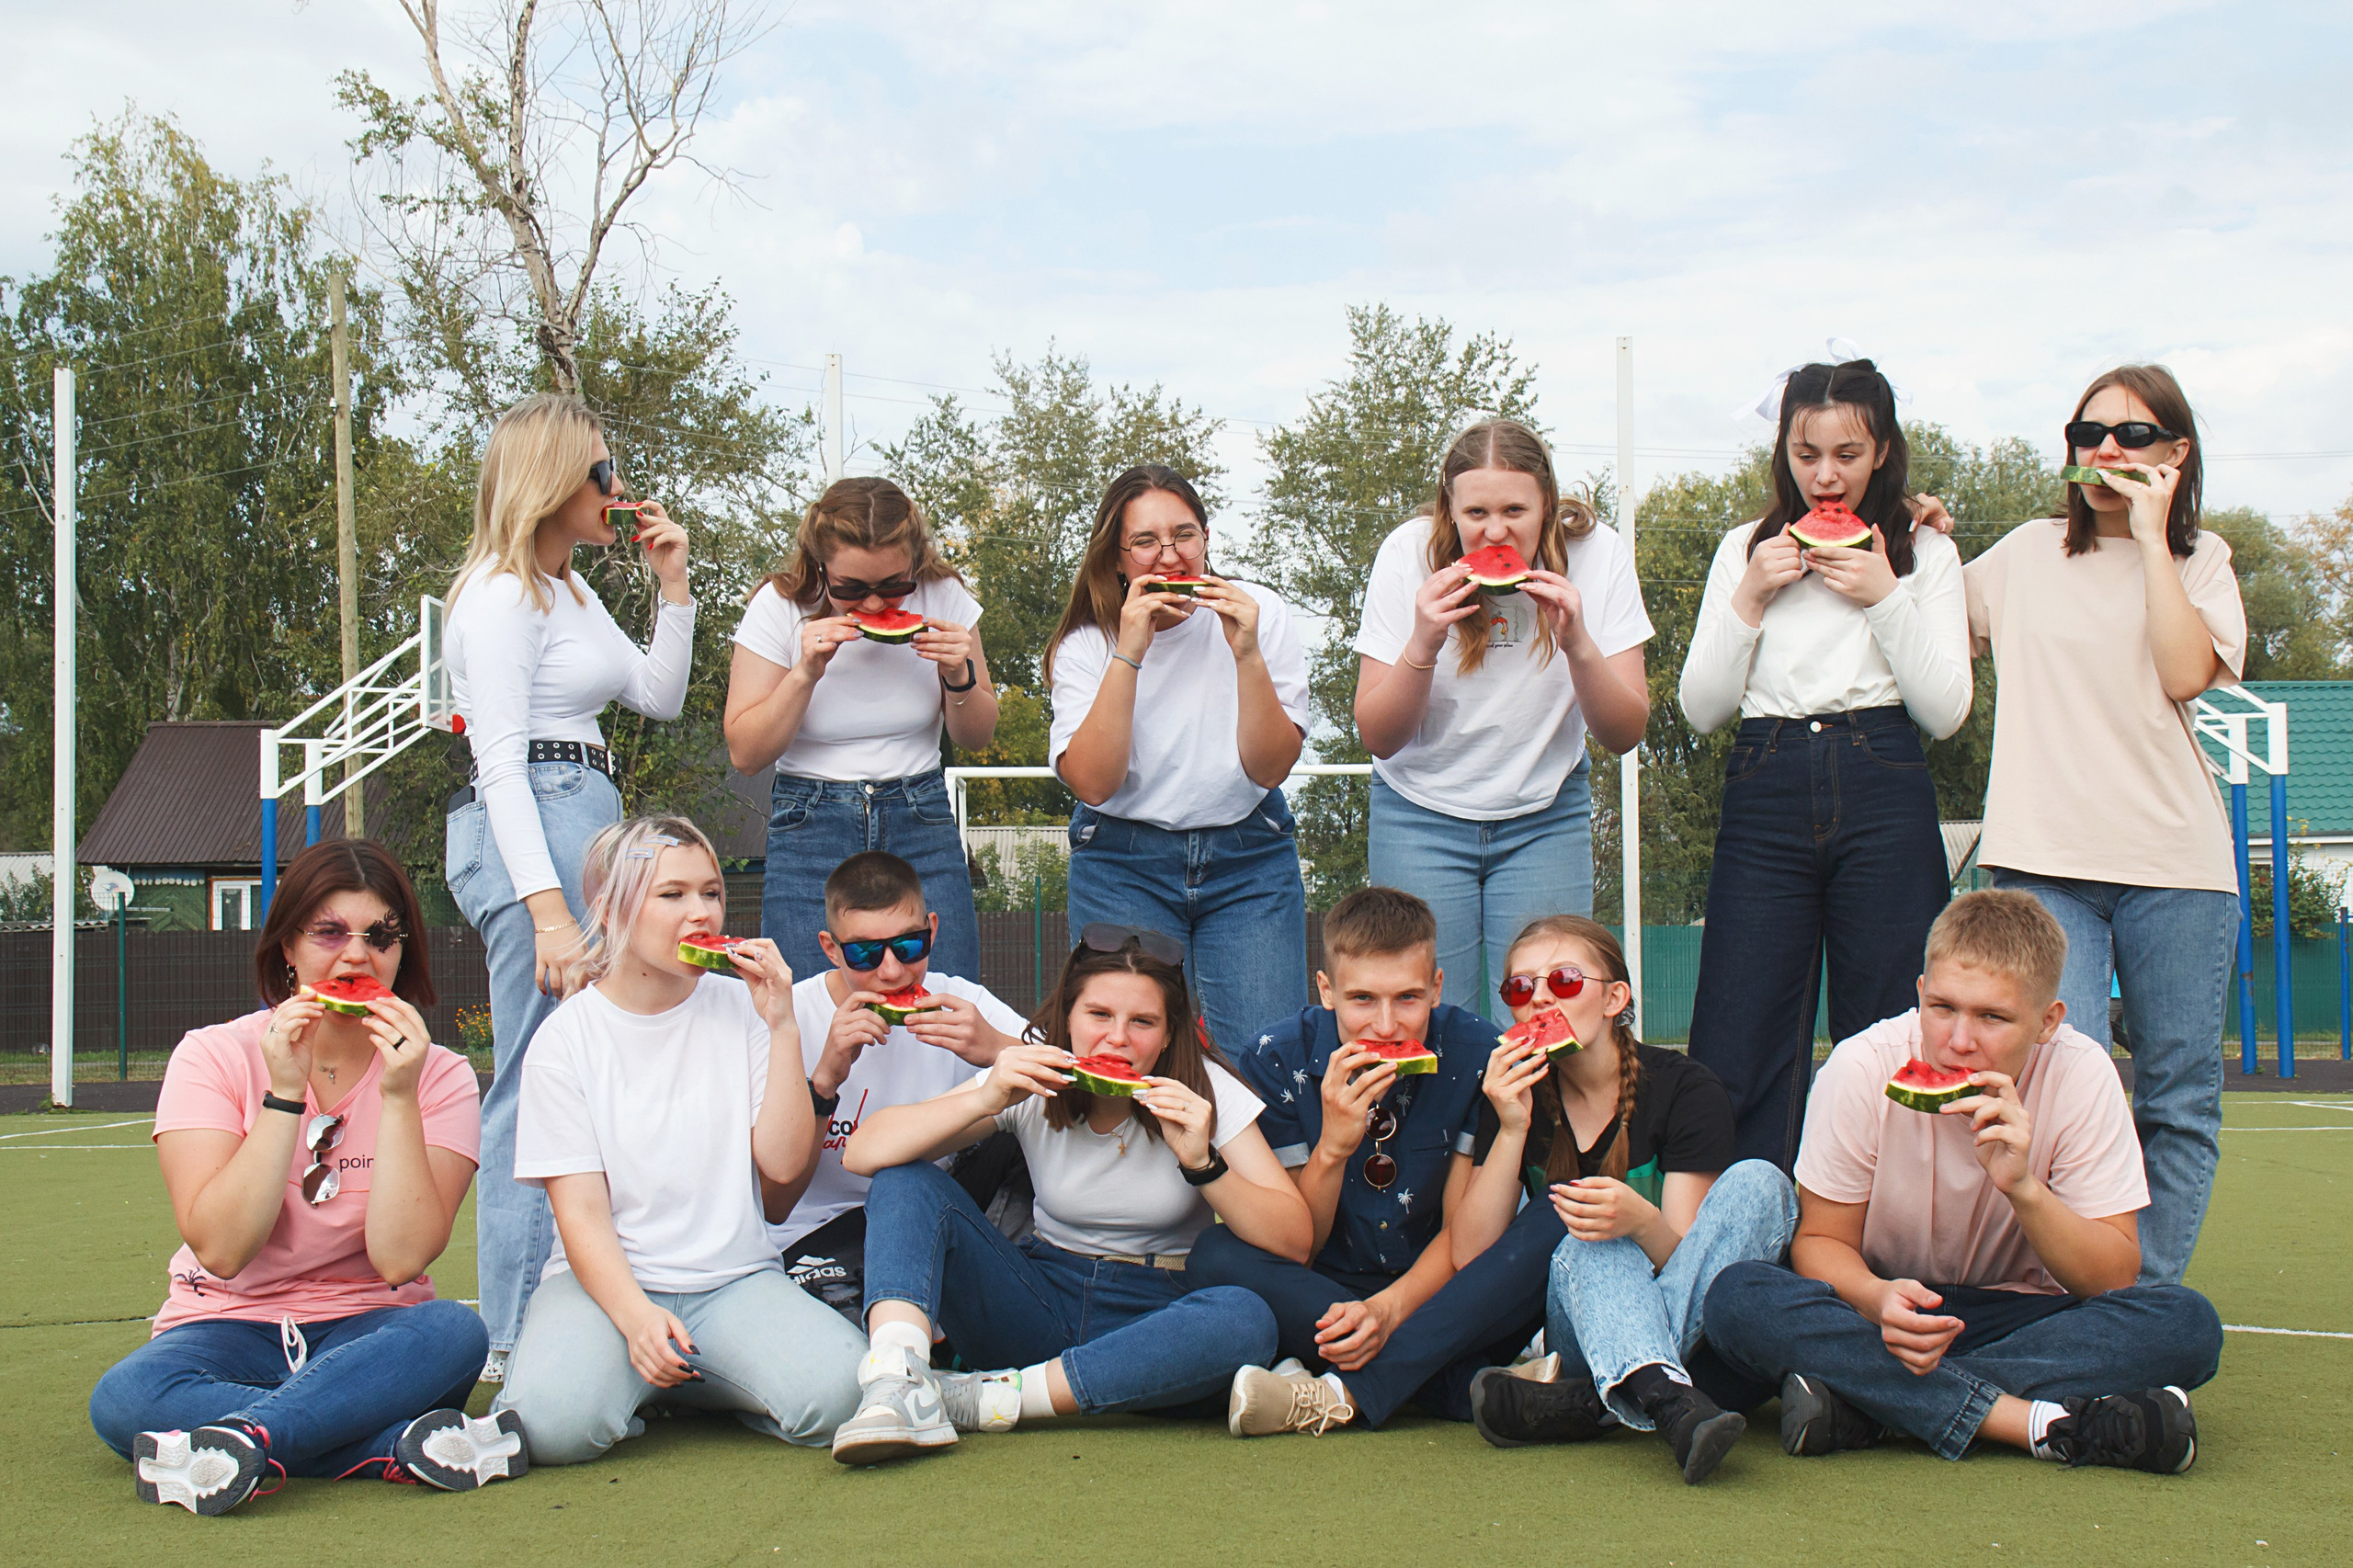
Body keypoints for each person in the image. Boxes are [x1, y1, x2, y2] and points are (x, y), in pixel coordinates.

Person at [1703, 891, 2224, 1472]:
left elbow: (2112, 1277)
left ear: (2048, 1021)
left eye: (1992, 1017)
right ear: (1920, 992)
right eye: (1942, 1007)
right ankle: (2037, 1423)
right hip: (1883, 1313)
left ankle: (1868, 1405)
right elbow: (1822, 1240)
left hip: (2023, 1318)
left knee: (2188, 1324)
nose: (1958, 1041)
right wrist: (1876, 1298)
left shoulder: (2082, 1073)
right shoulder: (1861, 1065)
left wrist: (2023, 1188)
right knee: (1738, 1296)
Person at [89, 841, 513, 1515]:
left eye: (380, 936)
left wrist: (398, 1096)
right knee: (124, 1398)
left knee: (455, 1335)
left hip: (370, 1331)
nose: (357, 956)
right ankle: (381, 1443)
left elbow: (400, 1259)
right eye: (330, 933)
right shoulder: (211, 1056)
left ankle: (246, 1439)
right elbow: (222, 1249)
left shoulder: (441, 1076)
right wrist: (284, 1094)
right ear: (287, 945)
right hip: (227, 1324)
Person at [1963, 365, 2245, 1287]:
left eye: (2132, 435)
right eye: (2089, 434)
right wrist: (1918, 533)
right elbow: (1920, 625)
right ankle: (2062, 1289)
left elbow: (2183, 672)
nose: (2107, 450)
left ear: (2176, 451)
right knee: (2051, 1091)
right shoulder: (2021, 553)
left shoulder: (2202, 559)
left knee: (2177, 1097)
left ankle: (2140, 1300)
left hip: (2177, 863)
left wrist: (2154, 539)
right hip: (2042, 863)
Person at [830, 926, 1306, 1465]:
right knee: (905, 1180)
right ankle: (898, 1383)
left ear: (1169, 1034)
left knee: (1247, 1318)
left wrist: (1203, 1163)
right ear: (1068, 1018)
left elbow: (1294, 1239)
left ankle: (996, 1398)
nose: (1117, 1039)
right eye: (1098, 1015)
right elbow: (863, 1153)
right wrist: (985, 1098)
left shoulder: (1207, 1091)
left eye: (1143, 1021)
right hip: (1037, 1300)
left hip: (1156, 1316)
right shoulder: (1034, 1079)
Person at [443, 392, 697, 1379]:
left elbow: (659, 697)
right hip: (535, 821)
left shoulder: (571, 592)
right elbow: (499, 762)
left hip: (587, 813)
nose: (618, 487)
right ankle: (508, 1337)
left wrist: (672, 588)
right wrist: (548, 910)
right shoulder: (500, 594)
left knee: (584, 1074)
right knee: (533, 1078)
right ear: (552, 478)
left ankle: (577, 1308)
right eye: (602, 471)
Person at [492, 816, 865, 1464]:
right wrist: (637, 1319)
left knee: (846, 1396)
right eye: (672, 894)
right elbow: (580, 1216)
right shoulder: (565, 1039)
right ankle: (656, 1375)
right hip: (607, 1289)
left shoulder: (744, 1009)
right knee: (551, 1427)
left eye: (711, 892)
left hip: (734, 1281)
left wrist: (782, 1027)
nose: (702, 912)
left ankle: (690, 1386)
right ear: (611, 909)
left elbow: (781, 1168)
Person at [1681, 358, 1971, 1172]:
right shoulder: (1744, 549)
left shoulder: (1926, 553)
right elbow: (1701, 707)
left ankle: (1881, 1228)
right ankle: (1740, 1231)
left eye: (1848, 454)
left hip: (1883, 773)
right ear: (1784, 450)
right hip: (1765, 774)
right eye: (1806, 454)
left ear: (1883, 452)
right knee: (1737, 1029)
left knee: (1890, 1027)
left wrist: (1885, 594)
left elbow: (1945, 711)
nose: (1826, 477)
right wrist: (1749, 597)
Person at [1182, 887, 1548, 1439]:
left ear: (1437, 988)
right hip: (1318, 1295)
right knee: (1214, 1255)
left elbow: (1462, 1241)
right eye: (1362, 1000)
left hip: (1439, 1294)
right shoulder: (1277, 1057)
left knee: (1555, 1218)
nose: (1386, 1025)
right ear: (1326, 990)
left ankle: (1340, 1390)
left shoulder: (1478, 1053)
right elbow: (1297, 1245)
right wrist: (1333, 1147)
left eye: (1408, 998)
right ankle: (1449, 1381)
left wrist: (1389, 1310)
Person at [1449, 916, 1792, 1482]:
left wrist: (1642, 1222)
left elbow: (1696, 1266)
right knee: (1589, 1239)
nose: (1540, 1000)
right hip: (1581, 1326)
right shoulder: (1512, 1097)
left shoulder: (1686, 1089)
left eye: (1563, 980)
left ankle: (1612, 1402)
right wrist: (1511, 1126)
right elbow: (1470, 1255)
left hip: (1693, 1322)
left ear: (1615, 998)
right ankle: (1659, 1394)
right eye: (1520, 988)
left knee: (1761, 1182)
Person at [1352, 419, 1653, 1026]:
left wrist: (1578, 644)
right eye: (1476, 513)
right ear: (1449, 509)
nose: (1494, 532)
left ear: (1548, 504)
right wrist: (1423, 641)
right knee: (1428, 1022)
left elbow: (1624, 732)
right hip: (1418, 814)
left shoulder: (1598, 555)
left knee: (1547, 1019)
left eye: (1515, 510)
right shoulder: (1407, 554)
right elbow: (1379, 736)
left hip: (1546, 814)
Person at [1049, 464, 1313, 1054]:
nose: (1169, 556)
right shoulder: (1088, 642)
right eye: (1145, 541)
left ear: (1207, 539)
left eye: (1184, 535)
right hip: (1122, 861)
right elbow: (1093, 783)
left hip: (1249, 857)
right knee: (1129, 1057)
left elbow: (1269, 768)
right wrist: (1130, 651)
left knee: (1266, 1058)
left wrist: (1246, 652)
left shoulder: (1260, 613)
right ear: (1117, 559)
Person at [725, 477, 999, 983]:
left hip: (921, 816)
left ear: (915, 563)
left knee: (944, 1002)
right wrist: (805, 673)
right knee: (808, 1008)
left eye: (894, 586)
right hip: (810, 824)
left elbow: (976, 736)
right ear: (820, 566)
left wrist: (959, 676)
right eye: (851, 589)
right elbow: (745, 753)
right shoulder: (778, 605)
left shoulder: (944, 596)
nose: (873, 606)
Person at [775, 849, 1029, 1324]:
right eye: (865, 953)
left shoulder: (962, 1001)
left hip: (936, 1209)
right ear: (830, 948)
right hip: (820, 1229)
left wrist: (996, 1046)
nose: (892, 971)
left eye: (909, 946)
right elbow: (776, 1198)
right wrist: (825, 1079)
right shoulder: (791, 1017)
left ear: (932, 930)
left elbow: (1072, 1075)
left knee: (1026, 1118)